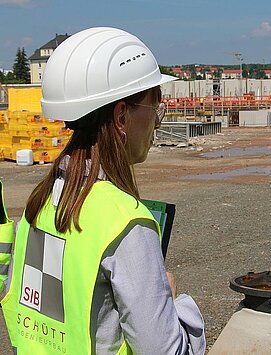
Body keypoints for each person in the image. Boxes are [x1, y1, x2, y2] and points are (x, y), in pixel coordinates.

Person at [1, 27, 205, 354]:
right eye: (155, 110)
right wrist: (176, 304)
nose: (157, 125)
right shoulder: (124, 221)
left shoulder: (40, 202)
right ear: (122, 116)